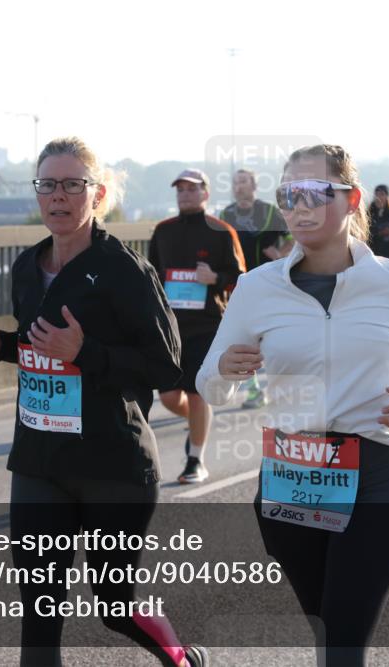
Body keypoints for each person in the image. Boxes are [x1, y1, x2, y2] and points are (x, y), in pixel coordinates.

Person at [197, 144, 389, 667]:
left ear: (352, 199)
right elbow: (210, 387)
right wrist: (225, 371)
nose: (298, 207)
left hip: (379, 474)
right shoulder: (256, 288)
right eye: (288, 195)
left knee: (343, 641)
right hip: (292, 475)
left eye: (314, 193)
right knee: (328, 634)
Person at [0, 138, 208, 667]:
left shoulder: (125, 270)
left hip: (112, 465)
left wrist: (85, 352)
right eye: (47, 184)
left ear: (97, 194)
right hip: (40, 461)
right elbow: (39, 346)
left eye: (72, 184)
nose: (58, 195)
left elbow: (166, 367)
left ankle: (183, 659)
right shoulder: (27, 267)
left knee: (114, 607)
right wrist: (0, 346)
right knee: (40, 611)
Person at [149, 168, 246, 483]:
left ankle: (196, 460)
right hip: (170, 328)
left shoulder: (221, 231)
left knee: (196, 392)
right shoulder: (163, 231)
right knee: (168, 397)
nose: (185, 194)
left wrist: (215, 278)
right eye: (181, 189)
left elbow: (241, 279)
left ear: (206, 193)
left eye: (192, 189)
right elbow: (151, 276)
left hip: (206, 326)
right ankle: (198, 423)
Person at [219, 168, 291, 409]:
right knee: (243, 341)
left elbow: (292, 239)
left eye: (243, 181)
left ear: (254, 186)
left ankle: (283, 388)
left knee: (273, 340)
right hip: (237, 285)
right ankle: (254, 391)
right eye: (235, 182)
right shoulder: (226, 214)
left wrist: (279, 254)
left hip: (269, 284)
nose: (238, 186)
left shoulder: (269, 212)